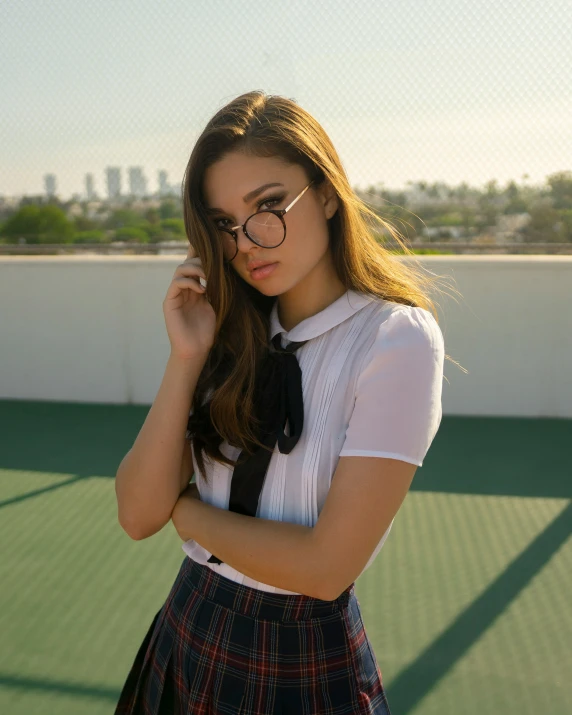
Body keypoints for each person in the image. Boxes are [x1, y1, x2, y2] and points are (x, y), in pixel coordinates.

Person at [114, 90, 455, 714]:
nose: (247, 242)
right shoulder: (227, 329)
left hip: (297, 654)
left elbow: (326, 568)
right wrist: (186, 358)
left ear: (326, 192)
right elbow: (138, 515)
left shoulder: (395, 339)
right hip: (187, 624)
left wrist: (189, 518)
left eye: (269, 206)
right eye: (222, 223)